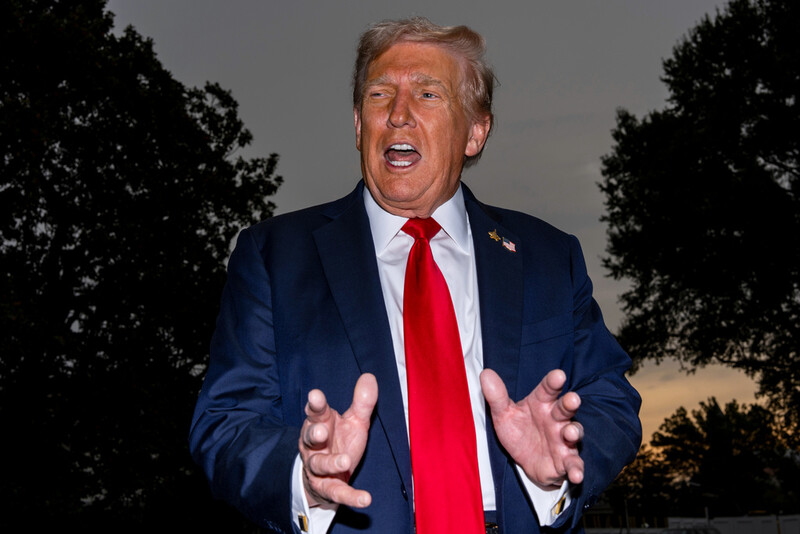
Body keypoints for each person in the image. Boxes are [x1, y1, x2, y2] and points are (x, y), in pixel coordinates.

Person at [189, 17, 641, 534]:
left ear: (476, 131)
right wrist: (303, 477)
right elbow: (224, 423)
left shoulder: (547, 256)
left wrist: (559, 466)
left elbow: (611, 399)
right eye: (380, 95)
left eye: (428, 94)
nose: (398, 115)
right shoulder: (273, 255)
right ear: (359, 125)